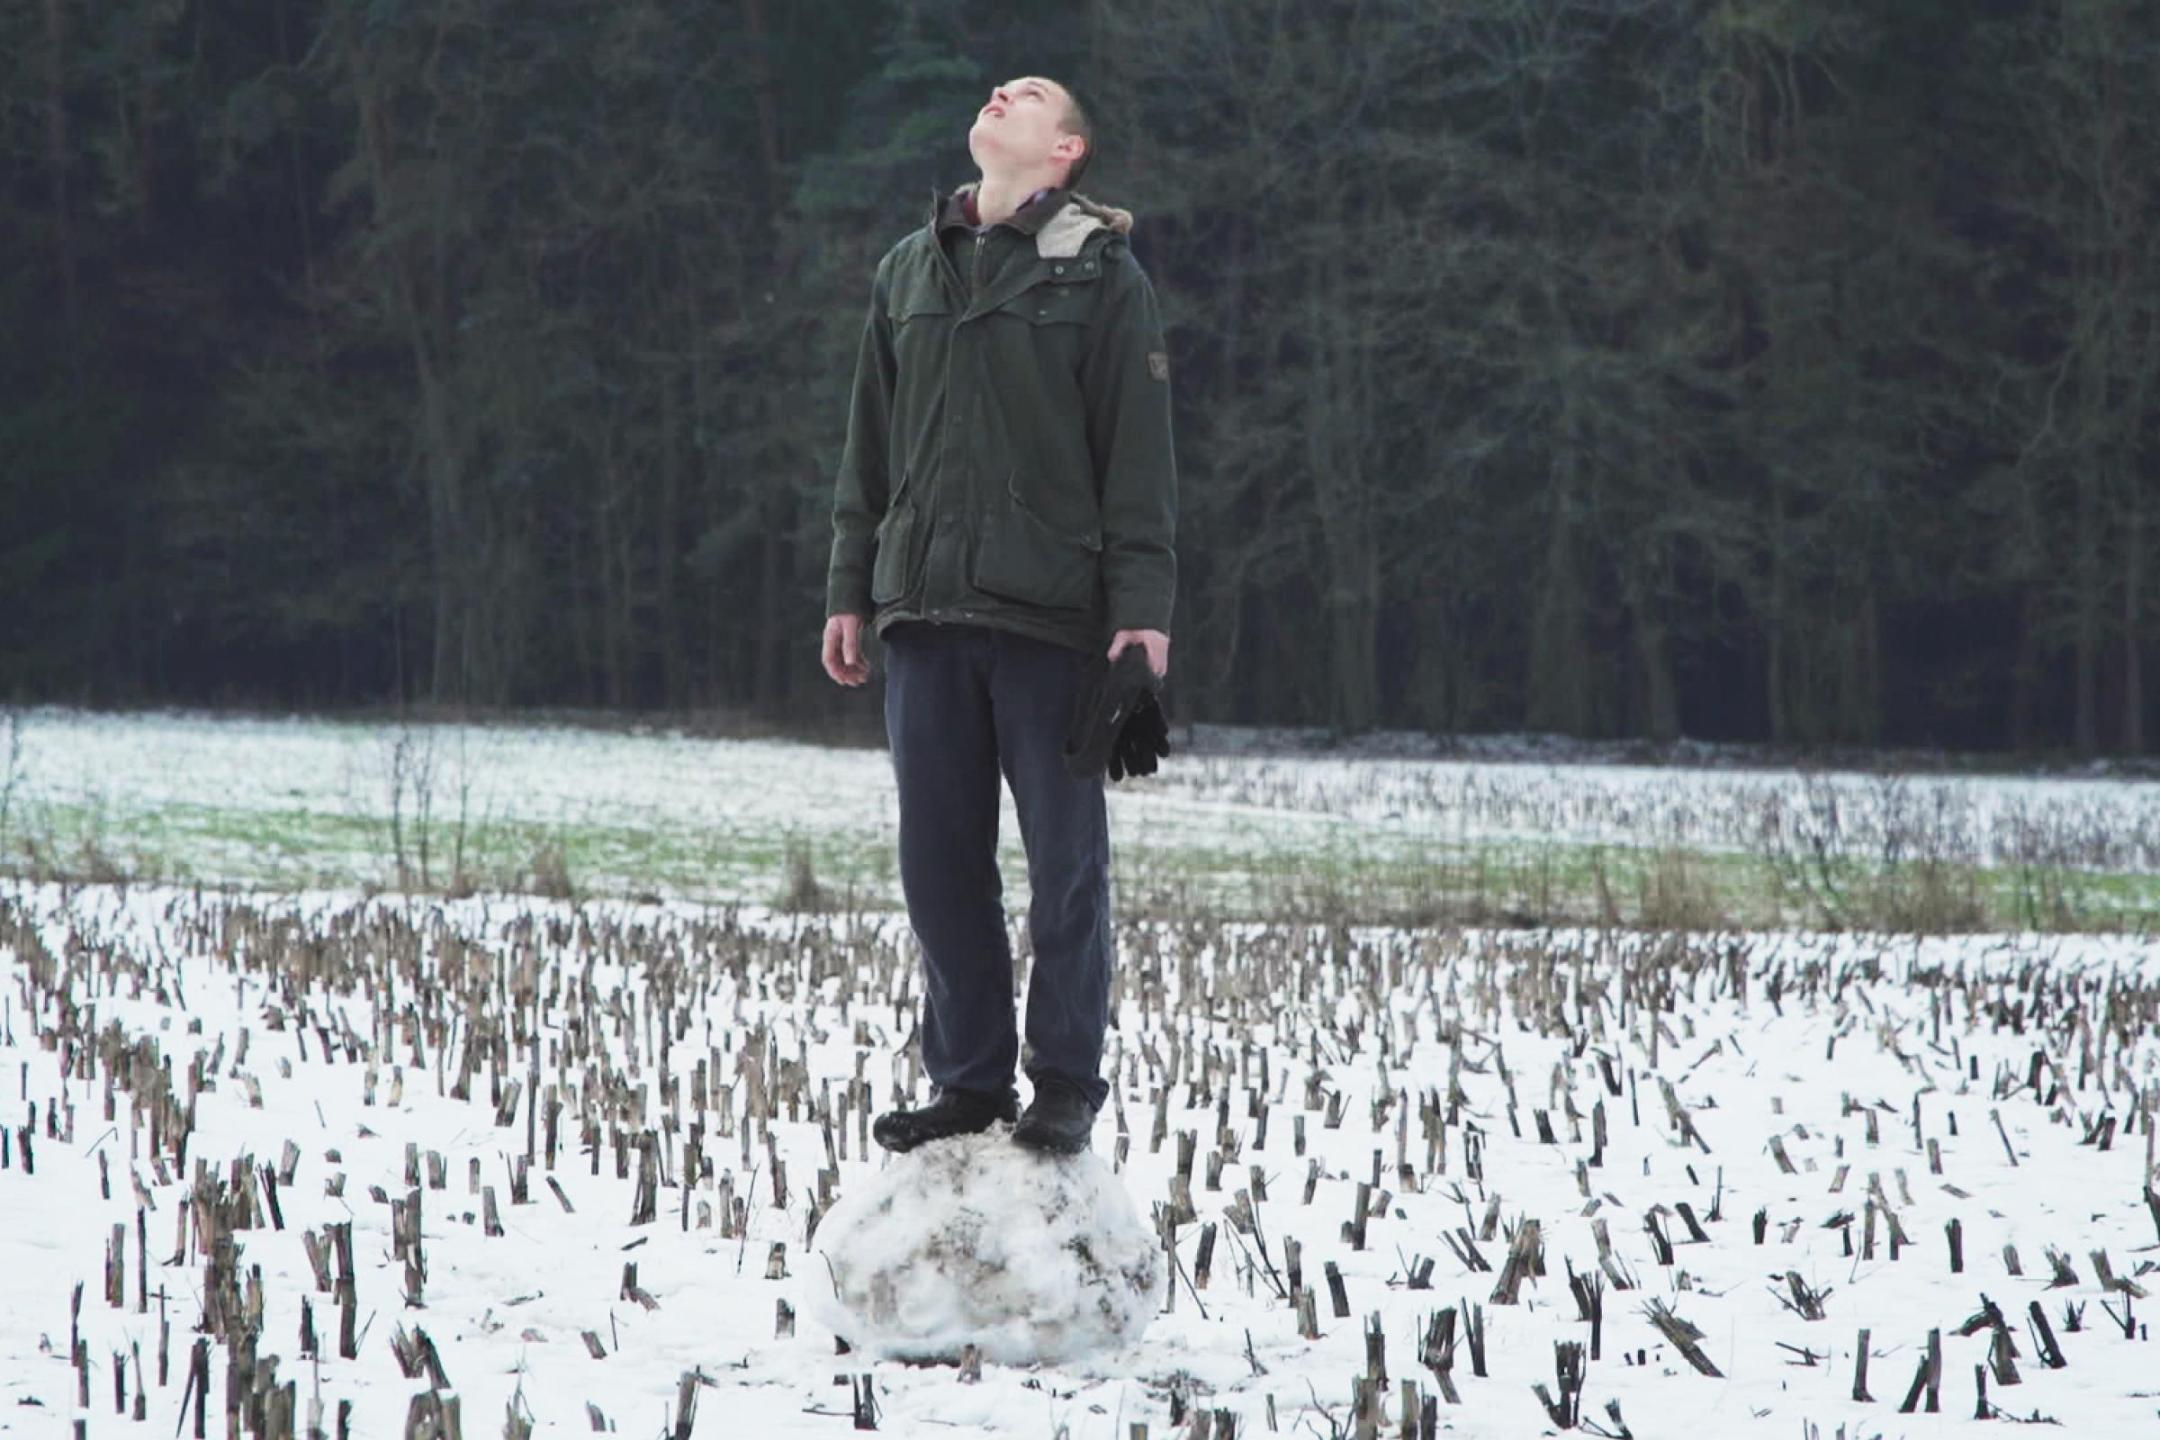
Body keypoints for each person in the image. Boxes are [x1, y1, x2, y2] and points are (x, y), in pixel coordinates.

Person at [818, 74, 1177, 1156]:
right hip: (921, 611)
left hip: (1053, 618)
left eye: (1027, 97)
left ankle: (1064, 1080)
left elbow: (1139, 457)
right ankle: (968, 1082)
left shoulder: (1104, 276)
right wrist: (848, 584)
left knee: (1067, 867)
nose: (999, 95)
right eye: (994, 90)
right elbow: (866, 447)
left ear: (1065, 152)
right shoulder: (908, 268)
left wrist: (1142, 616)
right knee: (938, 867)